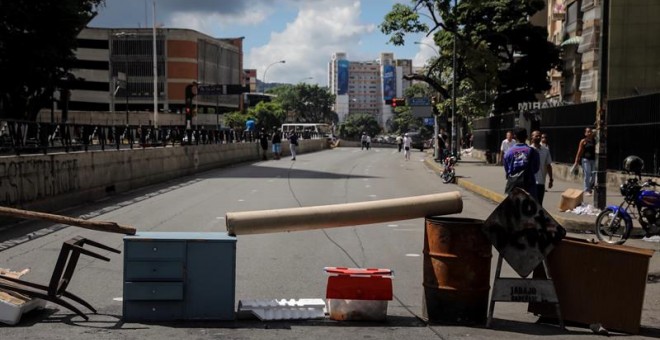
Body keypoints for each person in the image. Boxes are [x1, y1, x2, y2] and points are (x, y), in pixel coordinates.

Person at [503, 127, 540, 198]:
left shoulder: (508, 153)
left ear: (515, 137)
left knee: (513, 207)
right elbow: (536, 169)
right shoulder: (533, 152)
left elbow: (507, 169)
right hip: (529, 186)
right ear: (526, 137)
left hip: (514, 186)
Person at [530, 130, 553, 205]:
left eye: (539, 136)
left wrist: (551, 179)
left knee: (539, 204)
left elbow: (548, 165)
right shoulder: (528, 150)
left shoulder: (545, 150)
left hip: (541, 183)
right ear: (532, 137)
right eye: (536, 136)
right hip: (530, 183)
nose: (538, 137)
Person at [573, 127, 596, 195]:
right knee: (587, 174)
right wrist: (576, 160)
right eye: (587, 132)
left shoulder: (595, 140)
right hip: (586, 160)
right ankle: (586, 190)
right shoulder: (583, 141)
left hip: (593, 160)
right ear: (585, 133)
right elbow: (579, 151)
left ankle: (590, 186)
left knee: (594, 175)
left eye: (590, 131)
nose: (589, 133)